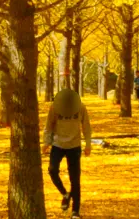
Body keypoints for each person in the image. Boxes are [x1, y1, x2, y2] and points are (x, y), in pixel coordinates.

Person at [43, 89, 92, 219]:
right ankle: (65, 194)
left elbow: (86, 126)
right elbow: (49, 125)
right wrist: (46, 142)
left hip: (74, 146)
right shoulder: (54, 107)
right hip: (58, 144)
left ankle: (75, 211)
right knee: (52, 170)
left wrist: (88, 144)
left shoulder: (81, 107)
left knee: (75, 179)